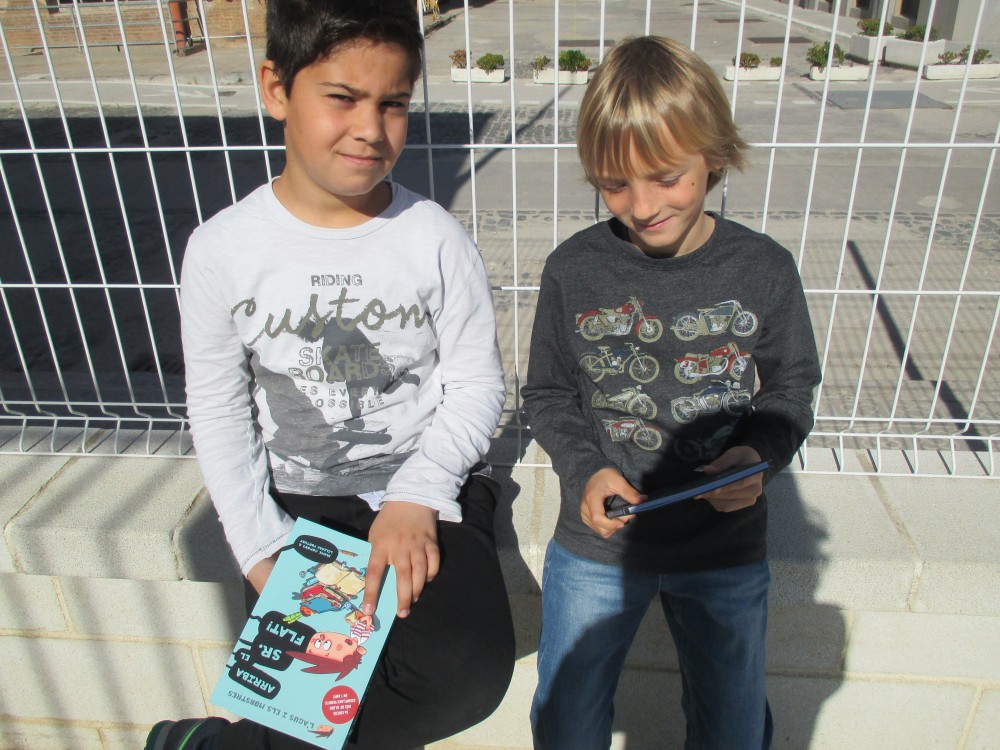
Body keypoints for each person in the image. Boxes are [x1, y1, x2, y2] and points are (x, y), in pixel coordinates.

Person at [145, 1, 514, 748]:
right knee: (315, 700)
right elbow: (218, 408)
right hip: (299, 505)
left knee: (467, 675)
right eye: (342, 98)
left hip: (422, 489)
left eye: (393, 104)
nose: (371, 129)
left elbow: (477, 385)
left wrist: (419, 492)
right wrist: (258, 545)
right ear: (276, 90)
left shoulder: (434, 238)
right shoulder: (221, 249)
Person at [522, 36, 822, 750]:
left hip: (724, 550)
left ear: (712, 155)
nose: (643, 205)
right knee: (567, 721)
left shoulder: (764, 268)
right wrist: (585, 469)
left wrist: (759, 454)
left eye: (665, 177)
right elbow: (549, 392)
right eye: (614, 184)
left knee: (733, 727)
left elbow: (792, 384)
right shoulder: (573, 269)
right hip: (598, 545)